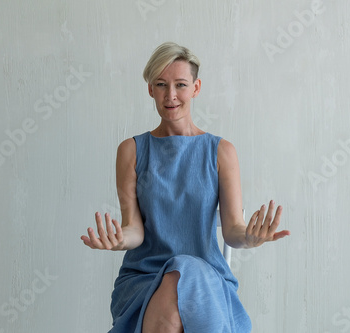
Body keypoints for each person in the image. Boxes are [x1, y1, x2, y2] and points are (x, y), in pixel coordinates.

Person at [81, 42, 290, 333]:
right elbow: (134, 229)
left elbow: (232, 230)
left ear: (196, 87)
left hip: (206, 278)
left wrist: (251, 238)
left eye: (180, 84)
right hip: (144, 277)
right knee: (176, 279)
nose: (171, 95)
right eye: (161, 84)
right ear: (150, 89)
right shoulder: (131, 150)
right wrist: (119, 240)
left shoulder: (221, 151)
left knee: (184, 269)